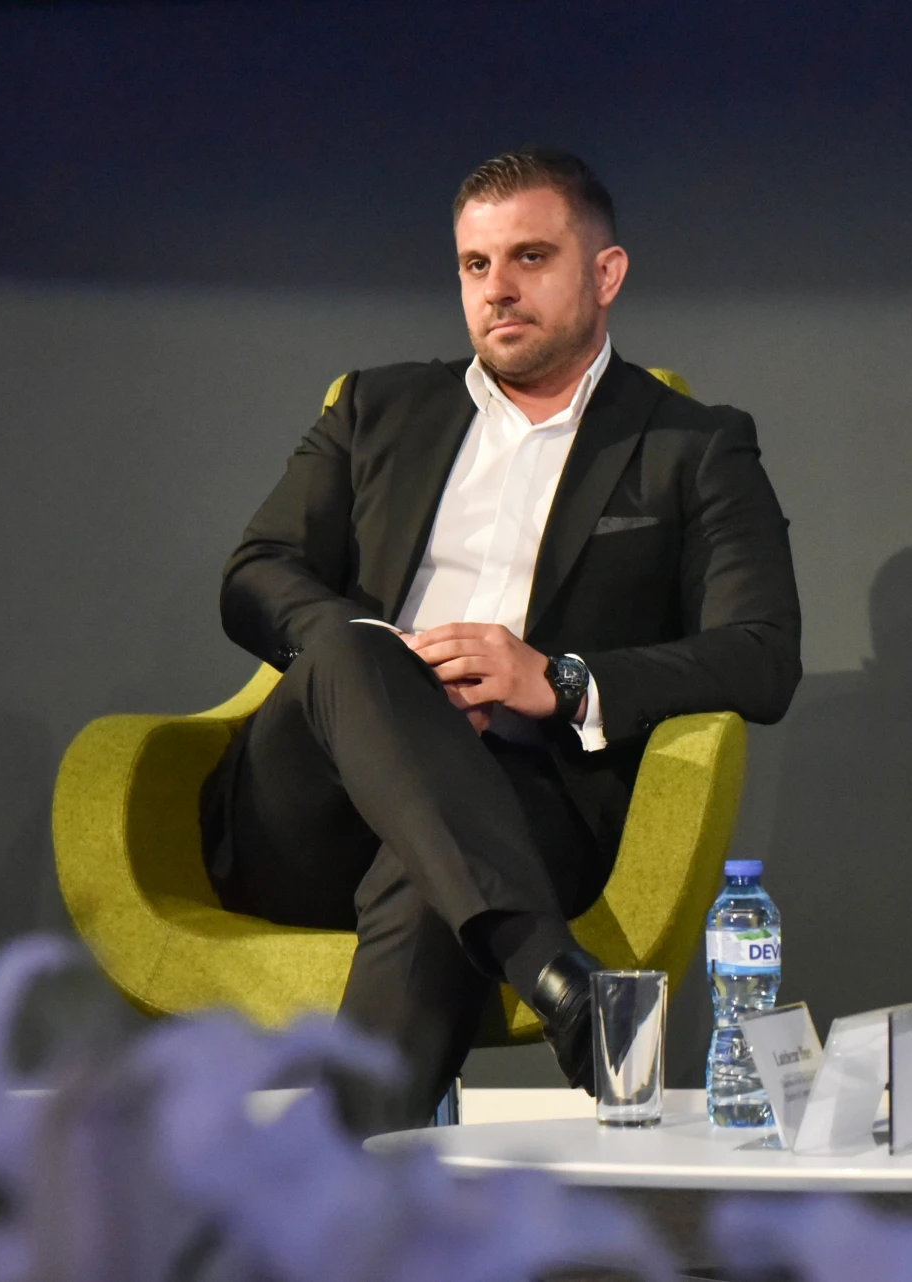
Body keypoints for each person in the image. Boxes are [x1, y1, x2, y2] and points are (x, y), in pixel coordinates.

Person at [200, 149, 802, 1131]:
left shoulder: (693, 446)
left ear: (605, 273)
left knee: (435, 870)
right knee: (353, 645)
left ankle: (346, 1195)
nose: (497, 289)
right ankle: (555, 969)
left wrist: (557, 679)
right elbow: (255, 572)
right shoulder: (375, 408)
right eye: (475, 265)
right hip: (312, 808)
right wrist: (392, 671)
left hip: (520, 797)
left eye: (530, 257)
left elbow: (761, 651)